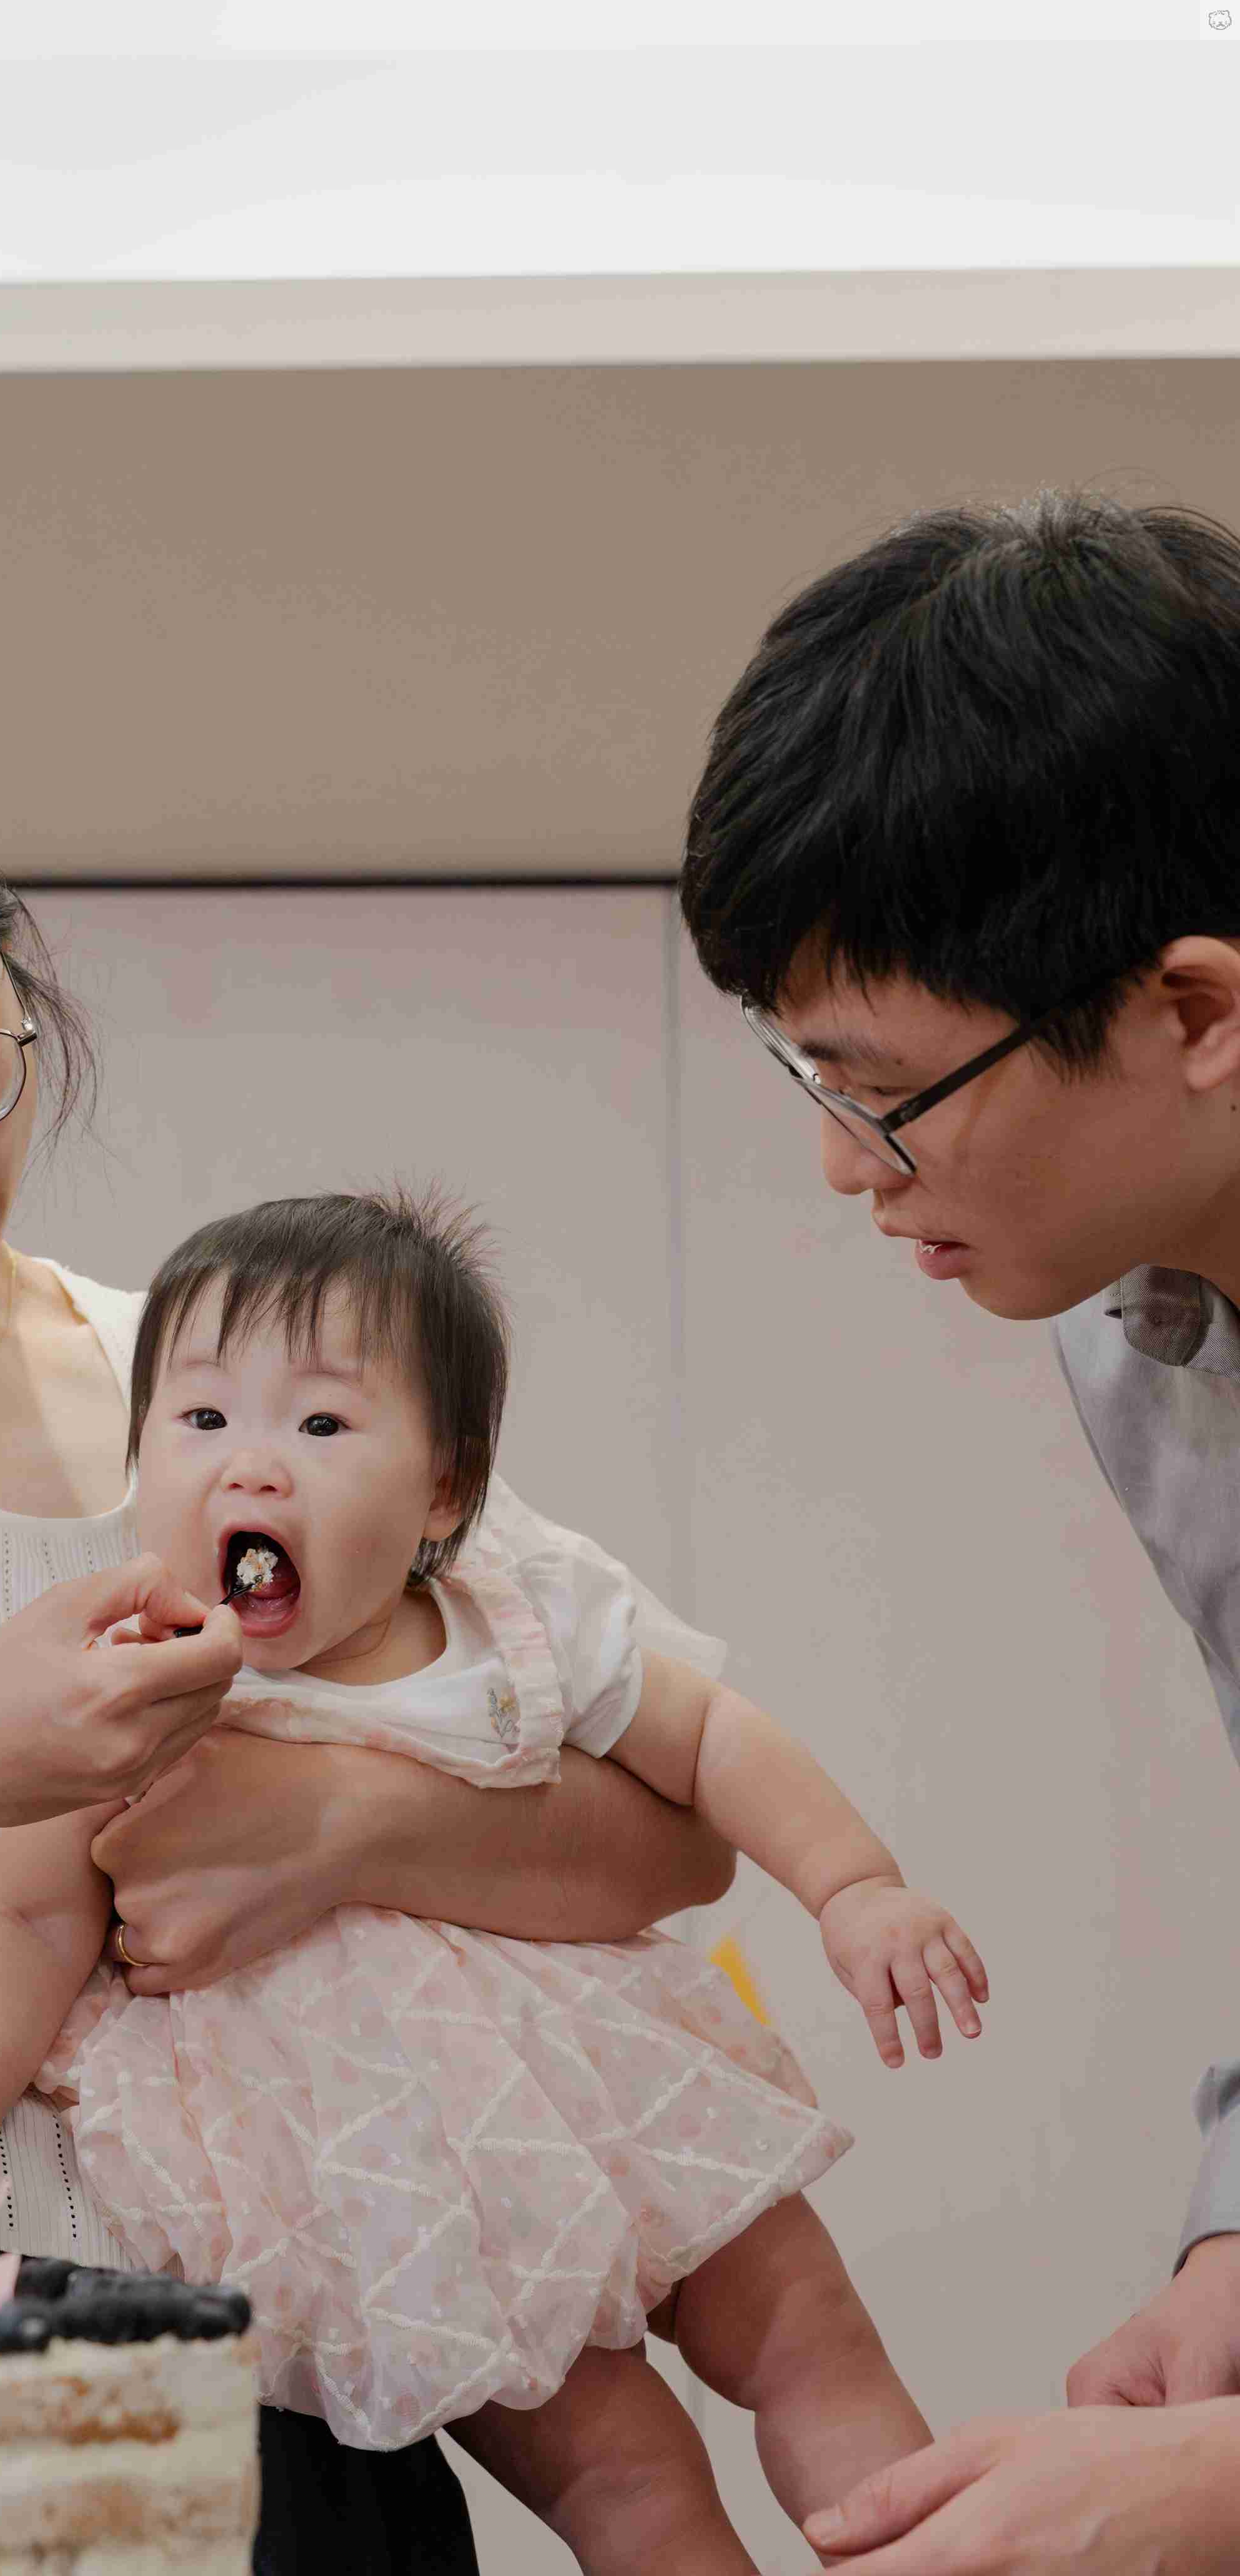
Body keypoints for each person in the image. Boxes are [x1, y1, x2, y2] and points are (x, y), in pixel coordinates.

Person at [0, 681, 740, 2576]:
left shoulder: (228, 1387)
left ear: (16, 972)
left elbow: (673, 1829)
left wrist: (346, 1824)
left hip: (271, 2395)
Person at [0, 1182, 989, 2575]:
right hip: (389, 2177)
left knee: (814, 2340)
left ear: (445, 1490)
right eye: (200, 1419)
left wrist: (853, 1885)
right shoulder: (123, 1687)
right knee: (627, 2476)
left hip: (616, 2084)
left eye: (322, 1427)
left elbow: (710, 1743)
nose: (252, 1470)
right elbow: (21, 1916)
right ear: (137, 1458)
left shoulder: (513, 1629)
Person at [676, 487, 1240, 2570]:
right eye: (808, 1076)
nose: (849, 1168)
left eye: (888, 1091)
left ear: (1194, 1011)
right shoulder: (1141, 1338)